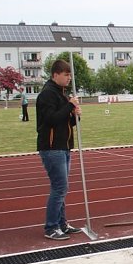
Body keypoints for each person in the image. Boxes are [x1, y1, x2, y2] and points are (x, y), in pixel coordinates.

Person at [36, 59, 82, 241]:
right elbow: (51, 120)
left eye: (70, 74)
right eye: (66, 74)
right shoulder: (47, 95)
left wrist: (75, 116)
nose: (69, 78)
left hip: (64, 147)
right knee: (60, 187)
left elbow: (66, 122)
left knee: (61, 188)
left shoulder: (62, 95)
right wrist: (69, 106)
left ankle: (62, 224)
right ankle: (51, 227)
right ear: (55, 75)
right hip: (52, 148)